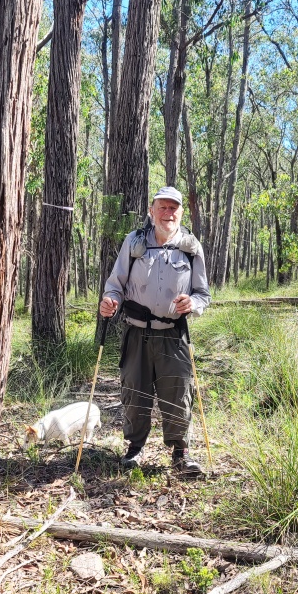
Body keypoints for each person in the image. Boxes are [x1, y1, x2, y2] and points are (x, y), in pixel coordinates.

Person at [99, 186, 211, 476]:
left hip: (173, 333)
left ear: (181, 213)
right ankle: (134, 449)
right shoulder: (134, 242)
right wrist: (110, 301)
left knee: (178, 392)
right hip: (136, 333)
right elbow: (115, 285)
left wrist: (193, 304)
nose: (168, 213)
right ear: (151, 211)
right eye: (162, 207)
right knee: (134, 391)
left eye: (173, 208)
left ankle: (181, 453)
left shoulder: (191, 247)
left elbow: (202, 294)